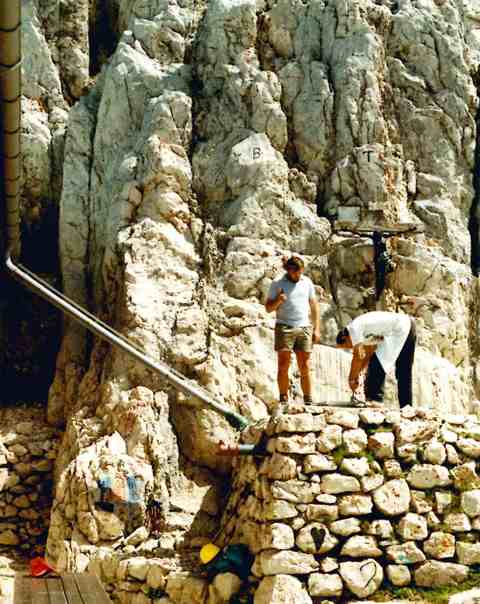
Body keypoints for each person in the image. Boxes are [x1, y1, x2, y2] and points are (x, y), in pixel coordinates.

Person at [265, 255, 320, 405]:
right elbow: (268, 308)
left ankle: (308, 398)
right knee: (283, 364)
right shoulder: (277, 283)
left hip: (304, 327)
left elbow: (314, 306)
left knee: (305, 364)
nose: (298, 275)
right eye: (295, 273)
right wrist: (279, 300)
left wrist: (316, 329)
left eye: (300, 272)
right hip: (284, 327)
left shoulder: (306, 282)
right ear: (289, 271)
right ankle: (283, 398)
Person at [336, 311, 416, 408]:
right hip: (408, 325)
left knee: (377, 364)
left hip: (399, 328)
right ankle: (406, 406)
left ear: (345, 337)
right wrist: (360, 373)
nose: (350, 348)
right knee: (403, 372)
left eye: (346, 346)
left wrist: (352, 379)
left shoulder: (354, 328)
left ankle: (375, 399)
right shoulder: (363, 333)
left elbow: (358, 356)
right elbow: (368, 353)